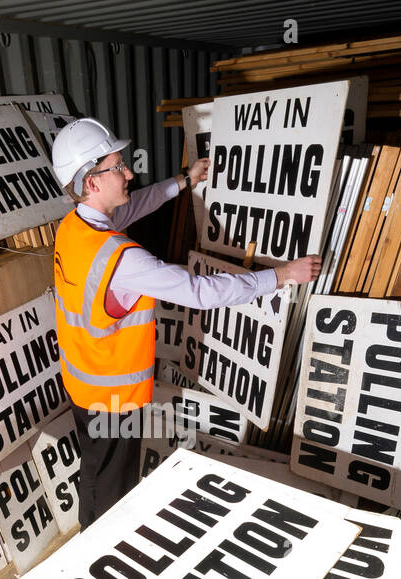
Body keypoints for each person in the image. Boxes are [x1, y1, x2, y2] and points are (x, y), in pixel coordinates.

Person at [50, 117, 321, 528]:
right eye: (118, 166)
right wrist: (281, 276)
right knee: (112, 493)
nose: (129, 172)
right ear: (92, 181)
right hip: (114, 398)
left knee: (95, 471)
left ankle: (92, 537)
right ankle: (100, 564)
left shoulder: (74, 227)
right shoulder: (121, 259)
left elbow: (134, 204)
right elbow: (201, 292)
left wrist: (183, 181)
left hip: (82, 382)